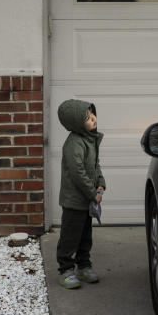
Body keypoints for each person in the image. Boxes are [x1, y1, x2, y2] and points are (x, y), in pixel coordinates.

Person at [56, 99, 106, 289]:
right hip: (74, 200)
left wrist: (101, 184)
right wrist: (92, 193)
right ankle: (66, 270)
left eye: (91, 114)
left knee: (85, 236)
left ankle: (84, 266)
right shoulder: (74, 143)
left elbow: (95, 166)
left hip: (87, 199)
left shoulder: (89, 139)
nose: (92, 118)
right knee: (70, 236)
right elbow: (78, 172)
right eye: (86, 117)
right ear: (76, 123)